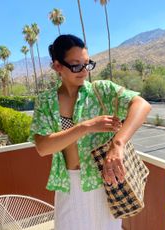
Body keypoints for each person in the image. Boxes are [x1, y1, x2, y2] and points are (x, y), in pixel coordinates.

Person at [29, 34, 151, 230]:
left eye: (87, 63)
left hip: (104, 183)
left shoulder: (101, 90)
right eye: (76, 65)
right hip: (69, 184)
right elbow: (43, 147)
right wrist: (86, 126)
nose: (84, 71)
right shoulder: (46, 101)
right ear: (57, 66)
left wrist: (117, 144)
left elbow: (142, 105)